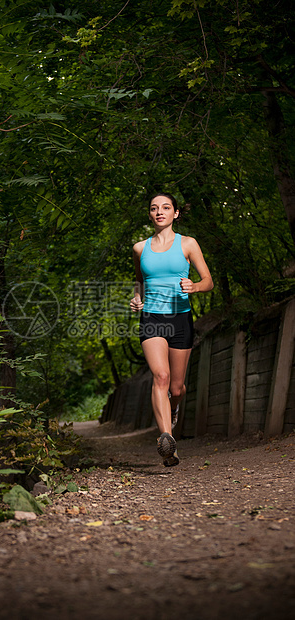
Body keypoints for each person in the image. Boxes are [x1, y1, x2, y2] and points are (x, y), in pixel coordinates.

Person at [130, 192, 213, 467]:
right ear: (150, 214)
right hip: (152, 319)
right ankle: (167, 441)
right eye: (154, 208)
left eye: (166, 207)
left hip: (181, 319)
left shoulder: (188, 244)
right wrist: (137, 298)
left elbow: (208, 281)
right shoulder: (140, 248)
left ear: (175, 213)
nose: (159, 212)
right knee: (161, 376)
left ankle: (173, 409)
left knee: (176, 388)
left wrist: (195, 286)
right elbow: (139, 281)